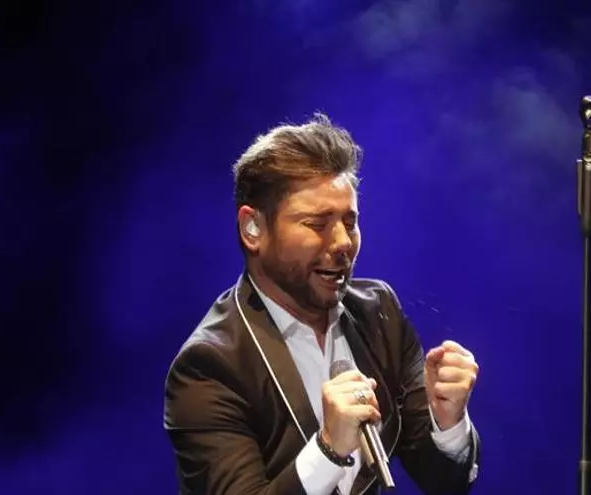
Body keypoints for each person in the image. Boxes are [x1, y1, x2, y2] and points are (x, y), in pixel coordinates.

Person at [163, 113, 481, 494]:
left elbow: (444, 482)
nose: (344, 242)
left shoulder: (379, 312)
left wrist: (448, 423)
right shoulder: (210, 365)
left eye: (350, 221)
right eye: (317, 224)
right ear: (253, 228)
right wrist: (328, 450)